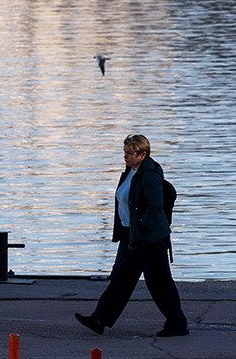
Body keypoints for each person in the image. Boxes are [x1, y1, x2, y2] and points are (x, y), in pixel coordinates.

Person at [76, 135, 189, 337]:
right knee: (121, 278)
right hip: (131, 236)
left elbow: (155, 207)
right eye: (124, 152)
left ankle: (177, 324)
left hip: (150, 239)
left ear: (142, 154)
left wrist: (143, 228)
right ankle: (99, 319)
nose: (125, 157)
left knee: (159, 282)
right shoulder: (131, 172)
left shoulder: (150, 176)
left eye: (129, 153)